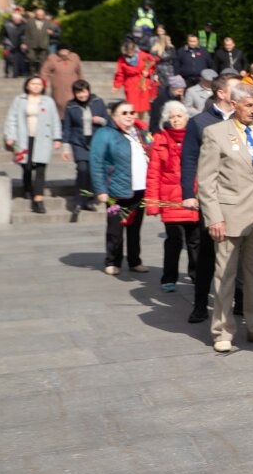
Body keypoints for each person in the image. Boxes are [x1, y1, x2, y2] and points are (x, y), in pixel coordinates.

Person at [197, 83, 253, 353]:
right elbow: (206, 181)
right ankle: (222, 330)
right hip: (229, 214)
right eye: (248, 106)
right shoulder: (215, 133)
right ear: (234, 105)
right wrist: (214, 217)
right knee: (225, 275)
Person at [180, 72, 241, 323]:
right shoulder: (200, 122)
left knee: (241, 249)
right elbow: (189, 159)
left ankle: (241, 301)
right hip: (212, 197)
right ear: (221, 93)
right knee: (207, 252)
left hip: (240, 196)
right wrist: (188, 194)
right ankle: (199, 303)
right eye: (236, 88)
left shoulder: (245, 118)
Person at [90, 100, 152, 276]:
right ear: (114, 116)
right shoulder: (105, 134)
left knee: (135, 228)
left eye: (132, 112)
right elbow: (96, 162)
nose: (129, 116)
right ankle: (112, 261)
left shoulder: (140, 132)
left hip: (140, 189)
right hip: (116, 191)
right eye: (124, 113)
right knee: (115, 228)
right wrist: (101, 189)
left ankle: (134, 260)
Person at [145, 101, 200, 293]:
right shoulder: (160, 139)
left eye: (179, 116)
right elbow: (153, 174)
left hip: (193, 197)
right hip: (170, 200)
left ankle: (197, 275)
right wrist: (152, 204)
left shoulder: (195, 137)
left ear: (186, 118)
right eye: (172, 117)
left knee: (195, 240)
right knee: (173, 240)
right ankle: (169, 278)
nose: (176, 120)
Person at [3, 75, 63, 214]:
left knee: (41, 168)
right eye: (33, 83)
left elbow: (55, 119)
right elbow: (11, 118)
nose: (36, 86)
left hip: (43, 138)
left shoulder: (48, 101)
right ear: (27, 85)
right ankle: (27, 186)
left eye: (39, 84)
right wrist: (10, 136)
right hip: (23, 138)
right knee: (27, 166)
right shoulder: (19, 100)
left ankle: (38, 200)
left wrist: (57, 138)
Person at [62, 81, 109, 212]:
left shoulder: (98, 102)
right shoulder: (71, 106)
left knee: (93, 171)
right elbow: (67, 127)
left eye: (83, 91)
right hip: (79, 142)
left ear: (88, 90)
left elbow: (108, 121)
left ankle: (89, 200)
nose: (82, 95)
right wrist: (65, 147)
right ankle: (78, 201)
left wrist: (100, 120)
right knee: (82, 169)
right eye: (78, 92)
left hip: (96, 141)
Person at [113, 39, 158, 121]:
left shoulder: (142, 55)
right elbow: (120, 73)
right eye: (128, 51)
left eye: (132, 50)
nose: (130, 52)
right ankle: (133, 121)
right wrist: (117, 85)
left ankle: (141, 121)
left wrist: (148, 72)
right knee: (132, 104)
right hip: (130, 83)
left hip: (143, 82)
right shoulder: (122, 59)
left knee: (143, 105)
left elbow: (152, 63)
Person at [39, 45, 84, 111]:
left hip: (73, 85)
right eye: (62, 50)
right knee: (59, 103)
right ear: (58, 51)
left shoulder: (75, 57)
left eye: (66, 50)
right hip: (59, 86)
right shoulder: (52, 58)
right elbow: (44, 72)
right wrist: (42, 84)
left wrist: (82, 83)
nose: (64, 51)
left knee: (73, 103)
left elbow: (79, 71)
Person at [23, 9, 51, 76]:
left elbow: (53, 31)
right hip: (32, 43)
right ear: (36, 15)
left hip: (43, 44)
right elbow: (26, 33)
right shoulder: (30, 22)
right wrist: (25, 43)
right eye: (39, 14)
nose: (40, 16)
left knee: (42, 60)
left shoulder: (47, 22)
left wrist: (51, 32)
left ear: (44, 15)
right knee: (31, 58)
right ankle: (32, 72)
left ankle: (40, 72)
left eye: (42, 15)